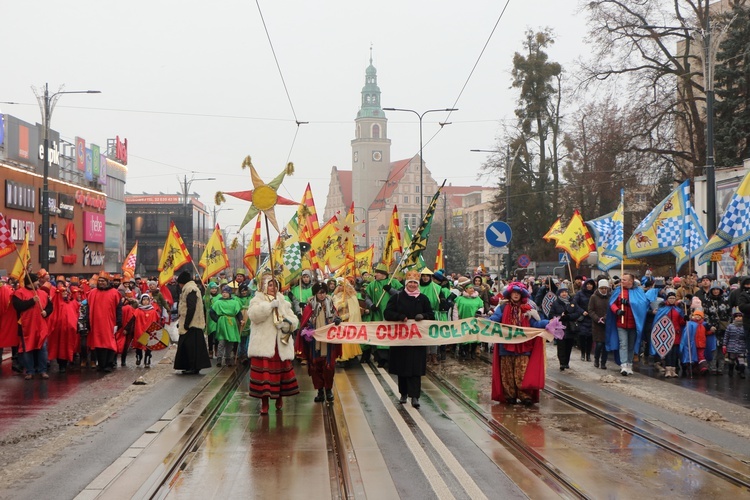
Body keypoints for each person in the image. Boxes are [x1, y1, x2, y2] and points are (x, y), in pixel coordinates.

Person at [489, 282, 548, 405]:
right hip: (505, 346)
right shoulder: (503, 308)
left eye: (518, 293)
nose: (516, 295)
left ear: (522, 295)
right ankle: (509, 396)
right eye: (514, 293)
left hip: (523, 346)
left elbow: (535, 324)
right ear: (510, 294)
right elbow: (495, 319)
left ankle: (525, 395)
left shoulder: (528, 309)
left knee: (522, 372)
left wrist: (547, 323)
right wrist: (485, 321)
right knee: (507, 373)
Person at [247, 274, 300, 414]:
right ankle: (264, 403)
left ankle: (279, 398)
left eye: (275, 285)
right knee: (265, 376)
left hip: (280, 344)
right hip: (263, 344)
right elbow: (253, 316)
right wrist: (269, 306)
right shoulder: (257, 299)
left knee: (280, 374)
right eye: (270, 285)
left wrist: (286, 324)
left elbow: (294, 320)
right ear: (265, 286)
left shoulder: (283, 300)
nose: (273, 288)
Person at [383, 270, 434, 409]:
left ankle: (415, 396)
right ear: (406, 283)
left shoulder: (423, 298)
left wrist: (423, 316)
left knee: (416, 369)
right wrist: (400, 316)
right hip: (401, 340)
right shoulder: (397, 297)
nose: (412, 285)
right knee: (402, 368)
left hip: (417, 340)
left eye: (415, 283)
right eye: (410, 282)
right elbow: (387, 313)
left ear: (418, 285)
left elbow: (431, 314)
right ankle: (403, 393)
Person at [301, 282, 342, 402]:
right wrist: (307, 329)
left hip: (328, 342)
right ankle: (319, 391)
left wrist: (337, 320)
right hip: (314, 343)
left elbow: (335, 318)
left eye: (324, 292)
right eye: (320, 293)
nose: (322, 295)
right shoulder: (309, 307)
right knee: (315, 367)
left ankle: (328, 390)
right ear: (315, 294)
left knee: (329, 367)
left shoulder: (331, 304)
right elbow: (305, 322)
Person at [605, 273, 649, 376]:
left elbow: (642, 305)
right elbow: (612, 303)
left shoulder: (639, 291)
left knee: (631, 345)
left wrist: (628, 303)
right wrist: (617, 311)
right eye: (621, 279)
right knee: (623, 344)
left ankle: (629, 364)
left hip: (633, 324)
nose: (622, 281)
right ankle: (623, 364)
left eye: (624, 280)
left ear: (631, 281)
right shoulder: (618, 291)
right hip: (621, 323)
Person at [13, 273, 53, 380]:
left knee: (42, 349)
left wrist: (46, 312)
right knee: (28, 350)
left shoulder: (43, 293)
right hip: (26, 327)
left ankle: (42, 370)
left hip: (41, 326)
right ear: (30, 282)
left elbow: (50, 307)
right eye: (36, 280)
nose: (38, 283)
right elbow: (18, 306)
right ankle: (29, 371)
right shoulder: (18, 293)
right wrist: (32, 301)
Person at [363, 263, 402, 368]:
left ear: (383, 274)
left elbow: (401, 295)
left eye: (378, 273)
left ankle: (391, 359)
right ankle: (381, 359)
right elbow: (367, 297)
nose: (375, 275)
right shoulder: (372, 285)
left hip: (392, 315)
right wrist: (371, 305)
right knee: (379, 336)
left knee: (391, 335)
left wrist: (390, 290)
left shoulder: (393, 282)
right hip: (377, 314)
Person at [173, 272, 212, 374]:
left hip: (191, 324)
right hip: (190, 322)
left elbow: (191, 307)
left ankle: (193, 367)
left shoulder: (190, 289)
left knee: (191, 348)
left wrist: (186, 323)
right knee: (189, 347)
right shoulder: (190, 288)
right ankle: (190, 366)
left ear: (182, 282)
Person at [87, 272, 122, 372]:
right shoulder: (92, 293)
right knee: (98, 344)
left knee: (109, 344)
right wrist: (88, 322)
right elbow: (88, 308)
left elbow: (118, 309)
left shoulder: (115, 293)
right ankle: (101, 364)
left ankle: (109, 364)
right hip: (96, 323)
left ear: (107, 282)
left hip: (109, 323)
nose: (101, 283)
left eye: (103, 281)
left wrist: (118, 322)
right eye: (100, 281)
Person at [650, 291, 686, 378]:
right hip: (665, 334)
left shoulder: (678, 310)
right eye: (670, 298)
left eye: (673, 298)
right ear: (667, 299)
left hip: (676, 334)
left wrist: (685, 319)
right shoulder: (662, 309)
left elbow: (681, 322)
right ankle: (668, 370)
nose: (672, 300)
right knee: (668, 352)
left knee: (675, 352)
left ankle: (673, 370)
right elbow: (658, 321)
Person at [548, 284, 584, 371]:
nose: (564, 294)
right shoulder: (556, 303)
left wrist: (569, 316)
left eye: (565, 292)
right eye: (562, 292)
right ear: (559, 293)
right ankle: (562, 363)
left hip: (570, 328)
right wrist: (560, 316)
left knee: (568, 346)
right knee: (561, 346)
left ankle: (566, 362)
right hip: (560, 328)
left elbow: (578, 312)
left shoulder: (572, 302)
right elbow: (551, 315)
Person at [47, 281, 80, 373]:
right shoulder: (55, 304)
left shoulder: (72, 303)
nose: (65, 293)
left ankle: (64, 364)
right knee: (58, 347)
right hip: (57, 331)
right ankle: (61, 364)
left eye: (66, 291)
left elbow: (76, 315)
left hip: (68, 331)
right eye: (63, 292)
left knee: (67, 347)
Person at [331, 277, 363, 364]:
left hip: (347, 321)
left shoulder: (351, 297)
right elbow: (333, 308)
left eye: (342, 285)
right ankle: (340, 356)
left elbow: (354, 311)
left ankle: (346, 357)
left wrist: (344, 316)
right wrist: (339, 307)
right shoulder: (335, 295)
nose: (340, 287)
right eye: (339, 285)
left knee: (346, 340)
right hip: (338, 321)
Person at [210, 285, 243, 367]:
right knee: (221, 341)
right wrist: (217, 320)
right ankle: (219, 358)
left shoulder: (235, 302)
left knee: (230, 342)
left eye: (226, 292)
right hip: (222, 323)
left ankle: (228, 358)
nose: (224, 294)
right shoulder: (218, 302)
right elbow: (212, 312)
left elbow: (238, 313)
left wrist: (241, 320)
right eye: (223, 292)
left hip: (231, 323)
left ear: (230, 294)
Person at [453, 278, 485, 359]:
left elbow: (481, 307)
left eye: (472, 288)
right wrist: (455, 321)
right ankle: (465, 352)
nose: (472, 289)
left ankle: (473, 352)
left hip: (474, 322)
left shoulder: (477, 298)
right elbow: (455, 310)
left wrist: (479, 311)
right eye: (470, 288)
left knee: (474, 337)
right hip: (463, 321)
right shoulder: (460, 299)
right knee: (465, 337)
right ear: (465, 289)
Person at [132, 294, 161, 367]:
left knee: (148, 346)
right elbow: (133, 320)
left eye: (147, 300)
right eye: (144, 300)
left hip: (149, 331)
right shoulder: (137, 310)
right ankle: (138, 357)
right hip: (139, 330)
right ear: (141, 301)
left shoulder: (153, 311)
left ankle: (147, 359)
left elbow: (157, 321)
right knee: (139, 346)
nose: (145, 301)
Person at [588, 279, 611, 370]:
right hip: (597, 324)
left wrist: (605, 318)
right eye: (602, 288)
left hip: (607, 323)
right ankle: (596, 359)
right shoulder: (594, 297)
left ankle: (603, 362)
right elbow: (590, 310)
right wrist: (597, 319)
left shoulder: (610, 297)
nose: (604, 290)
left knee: (605, 344)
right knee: (599, 344)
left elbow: (611, 308)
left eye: (605, 288)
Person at [573, 278, 596, 362]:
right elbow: (575, 303)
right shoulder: (580, 293)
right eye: (588, 284)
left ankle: (588, 354)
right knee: (582, 336)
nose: (589, 286)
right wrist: (582, 311)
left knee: (590, 337)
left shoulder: (595, 294)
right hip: (583, 317)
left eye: (591, 284)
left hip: (592, 318)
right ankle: (583, 353)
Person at [724, 311, 746, 378]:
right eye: (737, 316)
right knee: (731, 360)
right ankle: (730, 371)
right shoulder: (730, 326)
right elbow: (726, 336)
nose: (738, 318)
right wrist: (724, 344)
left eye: (740, 316)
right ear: (734, 318)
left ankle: (741, 372)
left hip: (742, 346)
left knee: (741, 360)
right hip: (732, 346)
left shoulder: (745, 326)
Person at [203, 282, 220, 359]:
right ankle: (210, 350)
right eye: (212, 288)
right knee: (210, 334)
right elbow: (204, 308)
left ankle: (216, 349)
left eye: (215, 288)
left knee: (217, 333)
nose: (213, 290)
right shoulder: (205, 297)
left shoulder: (220, 297)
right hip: (209, 317)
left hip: (217, 316)